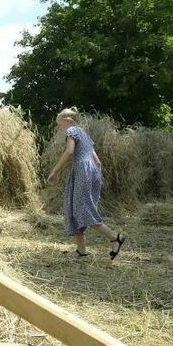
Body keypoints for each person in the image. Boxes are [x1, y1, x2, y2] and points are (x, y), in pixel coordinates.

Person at [46, 107, 126, 259]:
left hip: (82, 172)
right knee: (73, 207)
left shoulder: (72, 131)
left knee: (83, 209)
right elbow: (97, 161)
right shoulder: (84, 134)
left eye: (59, 124)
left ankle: (115, 237)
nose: (59, 128)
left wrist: (55, 171)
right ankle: (81, 251)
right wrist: (93, 177)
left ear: (65, 120)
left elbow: (69, 152)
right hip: (87, 172)